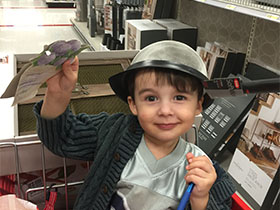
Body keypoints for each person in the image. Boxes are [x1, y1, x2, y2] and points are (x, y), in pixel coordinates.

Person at [33, 40, 235, 210]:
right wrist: (58, 94)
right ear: (133, 104)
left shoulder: (202, 168)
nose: (165, 110)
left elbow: (222, 203)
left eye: (179, 97)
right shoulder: (113, 132)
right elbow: (63, 137)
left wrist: (201, 200)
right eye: (151, 98)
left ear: (198, 105)